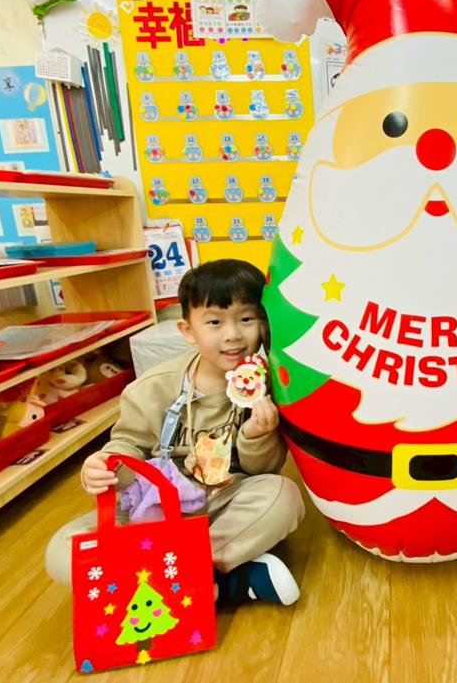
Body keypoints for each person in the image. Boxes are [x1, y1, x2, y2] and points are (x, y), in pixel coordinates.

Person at [45, 259, 305, 606]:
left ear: (264, 323)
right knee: (61, 551)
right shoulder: (153, 387)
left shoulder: (269, 387)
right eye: (214, 322)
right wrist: (105, 466)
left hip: (220, 504)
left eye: (246, 319)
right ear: (187, 330)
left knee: (283, 497)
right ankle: (223, 583)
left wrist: (258, 435)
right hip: (152, 509)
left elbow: (263, 471)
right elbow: (127, 445)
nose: (232, 334)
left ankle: (169, 581)